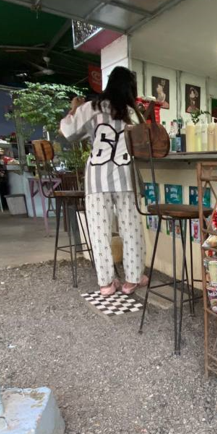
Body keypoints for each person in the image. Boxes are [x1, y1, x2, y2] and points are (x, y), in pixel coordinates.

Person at [60, 67, 148, 297]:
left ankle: (106, 284)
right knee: (131, 230)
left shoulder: (90, 108)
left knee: (100, 232)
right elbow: (145, 143)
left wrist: (73, 108)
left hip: (96, 180)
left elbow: (69, 133)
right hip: (125, 179)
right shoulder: (131, 112)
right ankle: (133, 279)